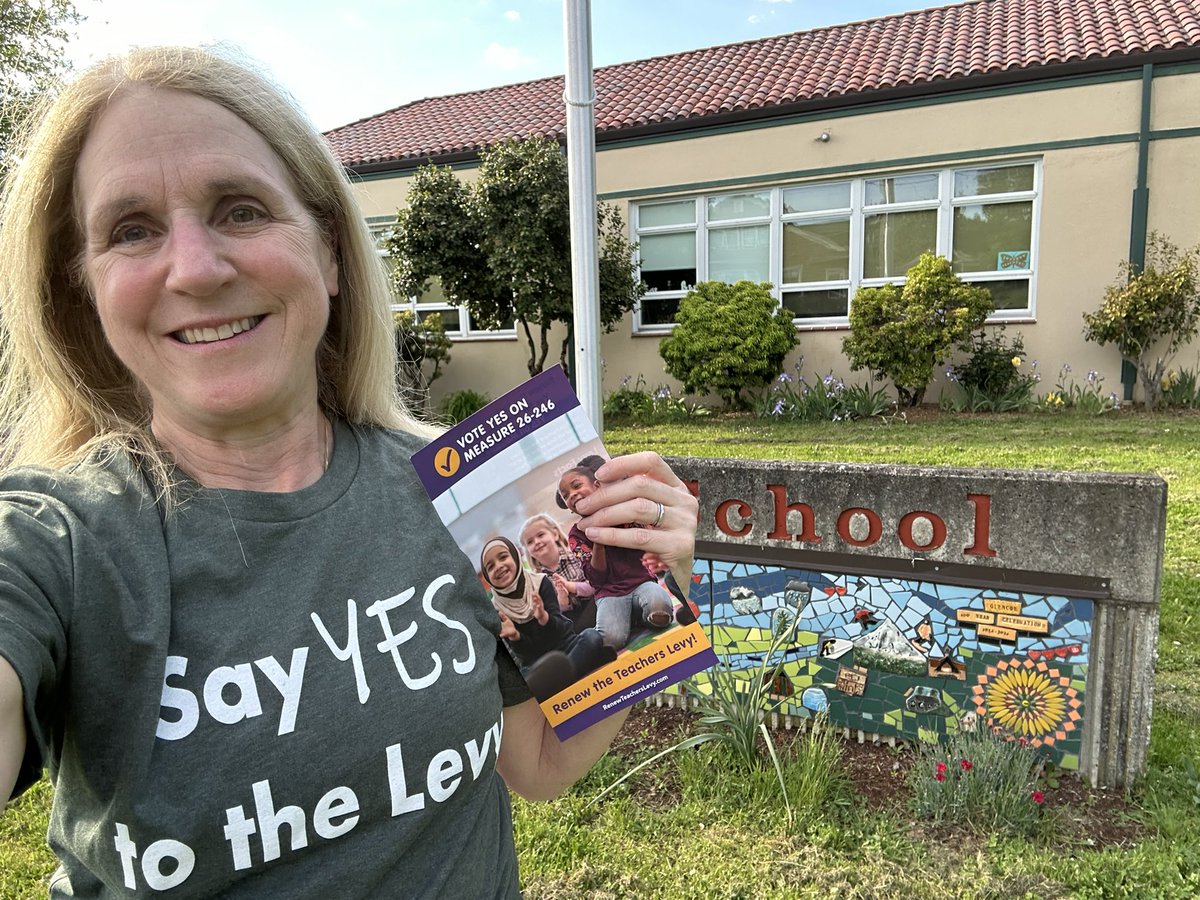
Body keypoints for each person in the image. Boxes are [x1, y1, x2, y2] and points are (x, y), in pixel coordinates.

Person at [0, 46, 698, 898]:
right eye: (132, 230)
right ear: (86, 292)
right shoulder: (56, 540)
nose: (195, 267)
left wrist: (646, 582)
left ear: (329, 252)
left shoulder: (454, 491)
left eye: (241, 210)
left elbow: (542, 766)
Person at [557, 458, 681, 651]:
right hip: (610, 594)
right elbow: (596, 578)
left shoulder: (624, 509)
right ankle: (626, 617)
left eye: (576, 486)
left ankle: (639, 615)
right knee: (610, 642)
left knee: (661, 610)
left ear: (596, 485)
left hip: (641, 582)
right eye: (566, 495)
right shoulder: (576, 535)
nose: (573, 495)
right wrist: (598, 537)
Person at [479, 537, 612, 701]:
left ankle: (557, 685)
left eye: (503, 557)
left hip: (567, 647)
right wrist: (515, 636)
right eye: (490, 566)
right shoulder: (495, 608)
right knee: (524, 677)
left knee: (592, 637)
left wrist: (544, 617)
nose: (498, 566)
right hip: (539, 665)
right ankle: (574, 673)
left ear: (515, 557)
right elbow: (525, 657)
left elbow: (564, 630)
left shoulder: (539, 582)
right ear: (487, 576)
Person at [518, 512, 597, 632]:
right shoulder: (536, 581)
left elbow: (596, 585)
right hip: (571, 618)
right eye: (530, 542)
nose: (537, 542)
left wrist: (570, 586)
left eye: (540, 535)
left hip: (595, 602)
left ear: (554, 534)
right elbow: (554, 613)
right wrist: (562, 600)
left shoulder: (576, 554)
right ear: (528, 550)